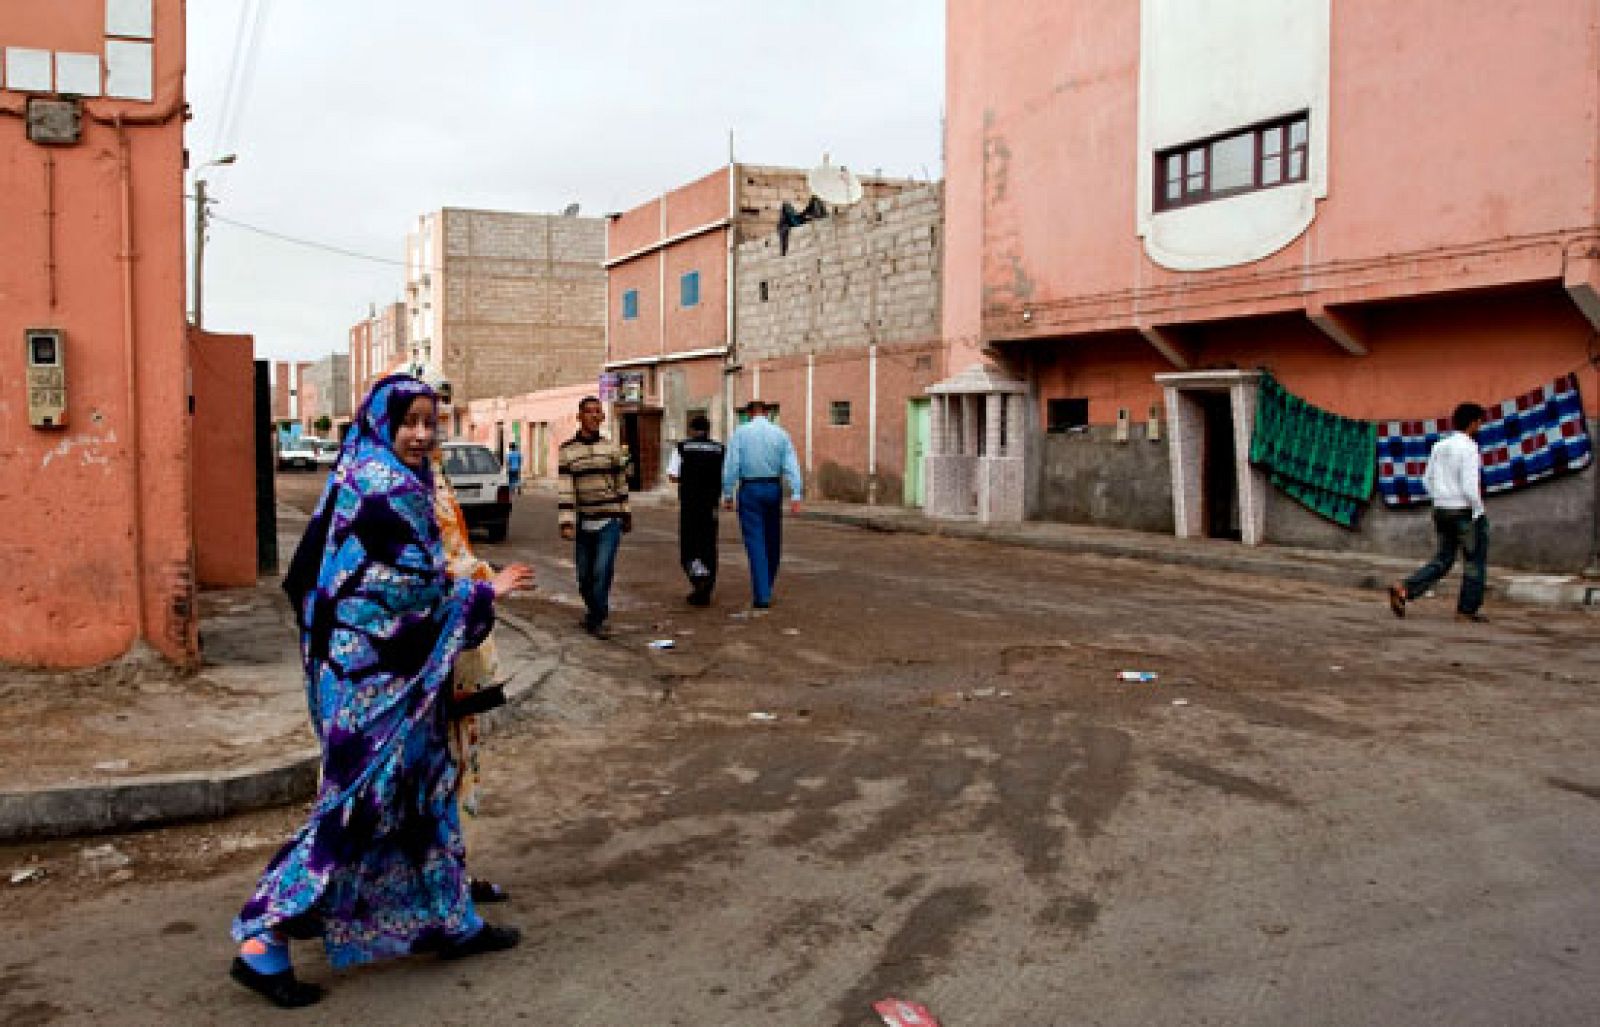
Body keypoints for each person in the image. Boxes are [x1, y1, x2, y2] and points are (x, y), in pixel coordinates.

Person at [230, 374, 534, 1009]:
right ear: (381, 421)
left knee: (425, 793)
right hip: (372, 682)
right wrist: (484, 592)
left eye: (431, 421)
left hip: (392, 675)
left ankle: (450, 920)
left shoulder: (369, 470)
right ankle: (263, 937)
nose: (423, 434)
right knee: (356, 806)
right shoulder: (382, 484)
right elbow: (401, 591)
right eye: (411, 421)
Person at [1390, 402, 1490, 623]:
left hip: (1441, 508)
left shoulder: (1440, 446)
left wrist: (1441, 497)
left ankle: (1405, 588)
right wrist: (1478, 509)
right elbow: (1469, 486)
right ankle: (1466, 610)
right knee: (1474, 561)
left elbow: (1427, 479)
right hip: (1464, 511)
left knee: (1443, 559)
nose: (1480, 426)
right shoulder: (1469, 448)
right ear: (1473, 423)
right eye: (1479, 422)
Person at [558, 396, 631, 638]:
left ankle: (598, 619)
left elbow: (621, 483)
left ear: (601, 417)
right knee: (584, 576)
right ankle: (593, 611)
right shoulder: (567, 451)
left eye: (598, 412)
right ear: (579, 417)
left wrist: (626, 513)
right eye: (589, 412)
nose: (594, 416)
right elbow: (566, 487)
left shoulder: (610, 448)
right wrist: (566, 521)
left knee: (602, 571)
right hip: (584, 521)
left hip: (610, 520)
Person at [722, 399, 803, 610]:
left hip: (750, 489)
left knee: (755, 541)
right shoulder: (781, 433)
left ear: (749, 414)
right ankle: (767, 583)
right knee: (773, 539)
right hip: (773, 489)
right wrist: (796, 493)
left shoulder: (740, 433)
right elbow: (791, 464)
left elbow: (732, 464)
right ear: (767, 413)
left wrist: (728, 492)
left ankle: (762, 594)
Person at [667, 414, 725, 606]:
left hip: (690, 504)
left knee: (690, 546)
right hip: (711, 505)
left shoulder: (682, 447)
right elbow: (725, 475)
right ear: (708, 430)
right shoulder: (720, 449)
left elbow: (673, 476)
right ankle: (707, 585)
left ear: (691, 430)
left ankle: (698, 581)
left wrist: (690, 477)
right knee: (709, 545)